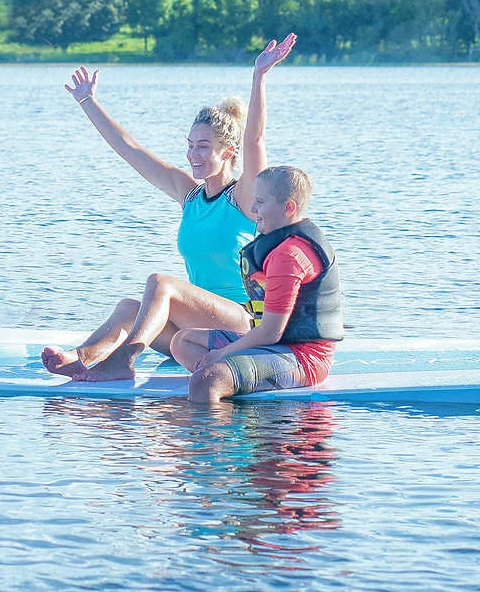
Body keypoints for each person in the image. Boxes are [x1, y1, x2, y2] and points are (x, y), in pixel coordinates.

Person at [41, 34, 297, 382]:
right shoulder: (189, 194)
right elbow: (131, 150)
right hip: (198, 326)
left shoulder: (245, 196)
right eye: (190, 145)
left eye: (204, 146)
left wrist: (259, 76)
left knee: (160, 284)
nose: (193, 154)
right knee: (130, 309)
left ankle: (125, 359)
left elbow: (255, 139)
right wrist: (87, 100)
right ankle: (82, 358)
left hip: (240, 323)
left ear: (228, 152)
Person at [170, 164, 344, 405]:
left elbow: (271, 331)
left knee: (207, 380)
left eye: (260, 202)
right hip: (274, 346)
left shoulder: (290, 255)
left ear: (288, 208)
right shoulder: (278, 244)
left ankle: (223, 440)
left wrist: (221, 355)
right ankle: (239, 383)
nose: (252, 209)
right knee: (182, 341)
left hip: (303, 358)